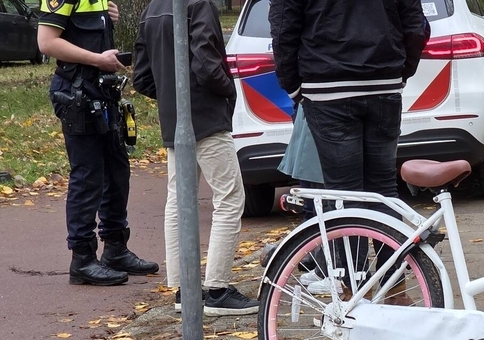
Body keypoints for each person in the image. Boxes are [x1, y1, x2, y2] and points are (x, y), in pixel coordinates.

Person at [269, 0, 430, 303]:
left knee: (344, 195)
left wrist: (294, 88)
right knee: (384, 191)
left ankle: (353, 292)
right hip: (383, 83)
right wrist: (400, 71)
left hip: (327, 87)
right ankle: (395, 288)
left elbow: (282, 29)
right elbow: (414, 24)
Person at [133, 0, 259, 315]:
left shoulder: (152, 9)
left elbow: (142, 76)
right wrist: (227, 91)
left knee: (178, 201)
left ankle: (182, 288)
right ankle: (216, 287)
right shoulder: (199, 5)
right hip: (207, 116)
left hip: (174, 119)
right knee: (229, 198)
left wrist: (170, 94)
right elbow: (206, 62)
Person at [37, 0, 160, 286]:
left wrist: (107, 18)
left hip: (102, 92)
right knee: (88, 175)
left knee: (117, 172)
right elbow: (46, 42)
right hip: (77, 92)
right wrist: (97, 59)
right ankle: (82, 259)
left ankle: (115, 248)